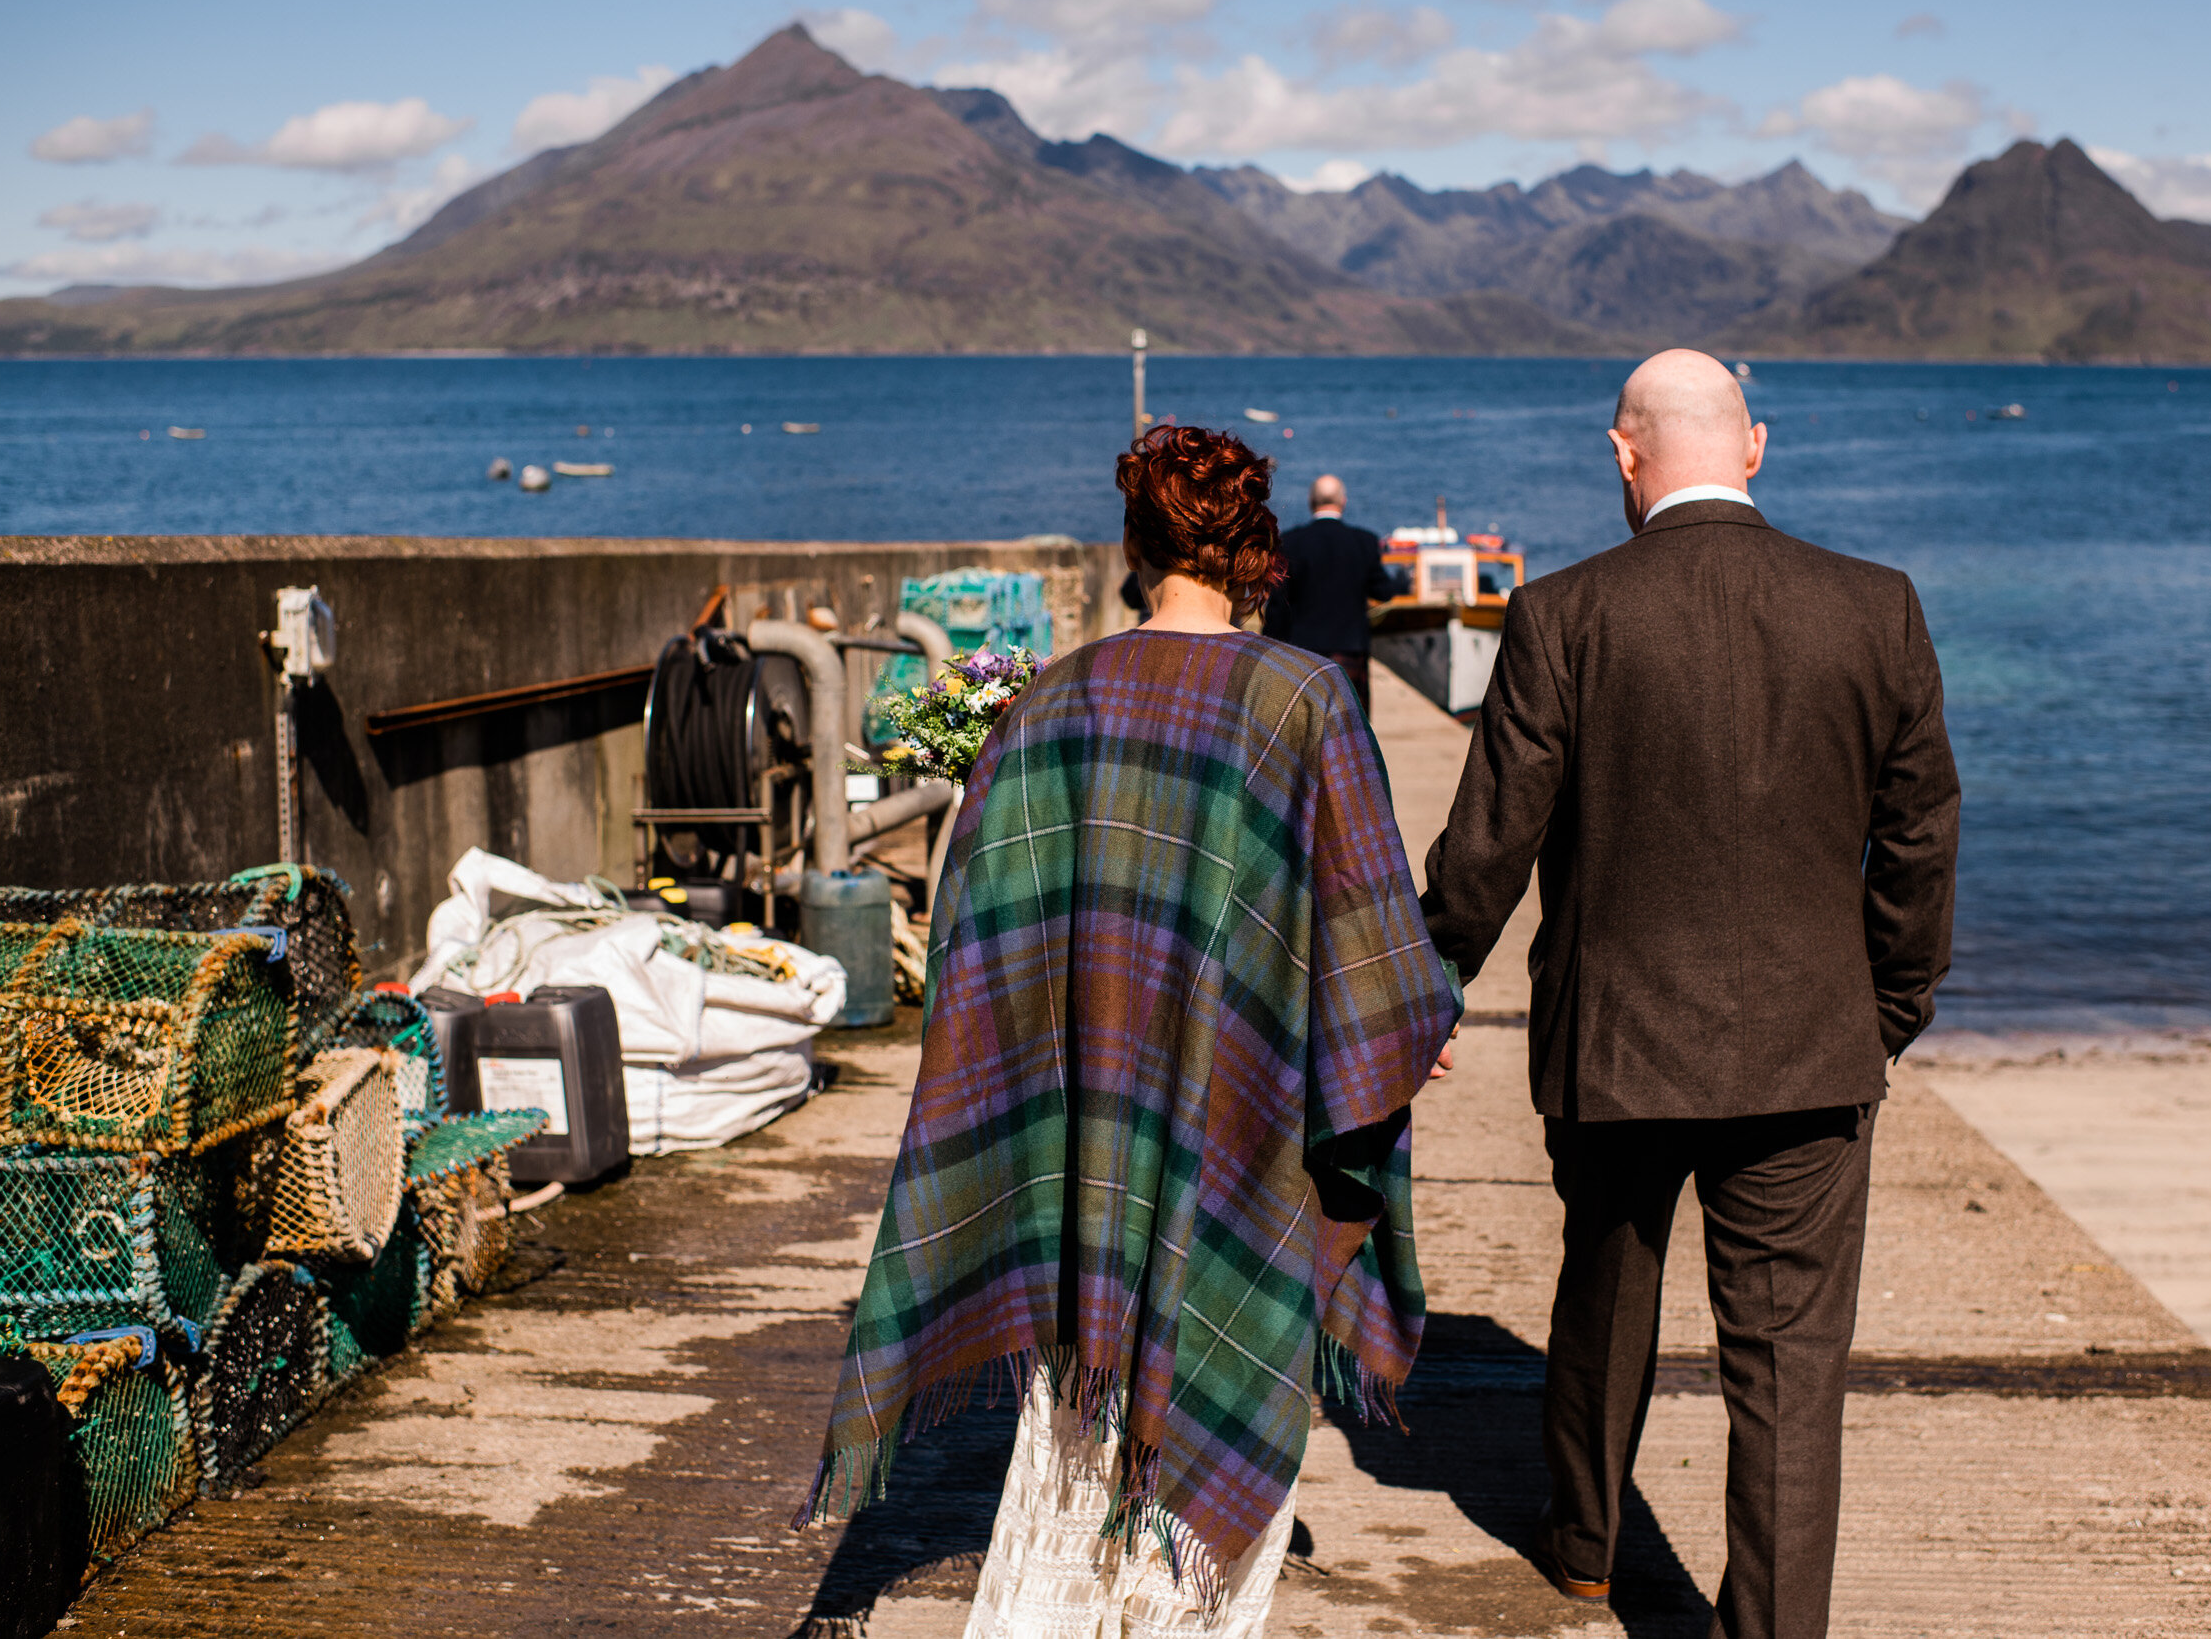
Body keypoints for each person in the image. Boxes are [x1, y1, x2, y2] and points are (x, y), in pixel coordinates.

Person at [798, 424, 1464, 1639]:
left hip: (1083, 1162)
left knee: (1064, 1447)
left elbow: (972, 942)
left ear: (1132, 547)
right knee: (1206, 1491)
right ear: (1255, 551)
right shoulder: (1303, 698)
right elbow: (1375, 954)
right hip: (1241, 1141)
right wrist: (1400, 1024)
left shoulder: (1049, 703)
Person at [1418, 350, 1959, 1639]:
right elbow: (1922, 837)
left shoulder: (1561, 613)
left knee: (1604, 1292)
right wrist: (1886, 1011)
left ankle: (1588, 1544)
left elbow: (1489, 842)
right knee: (1787, 1369)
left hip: (1615, 1046)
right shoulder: (1874, 605)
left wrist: (1427, 977)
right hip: (1808, 1053)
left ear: (1623, 454)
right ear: (1755, 445)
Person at [1261, 473, 1395, 713]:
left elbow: (1278, 605)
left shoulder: (1291, 542)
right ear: (1343, 502)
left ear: (1311, 502)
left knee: (1305, 727)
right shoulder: (1364, 542)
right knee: (1352, 728)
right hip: (1350, 650)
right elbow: (1384, 591)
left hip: (1303, 652)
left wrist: (1270, 646)